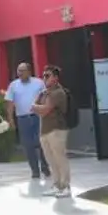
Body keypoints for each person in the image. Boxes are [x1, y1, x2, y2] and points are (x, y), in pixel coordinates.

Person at [4, 63, 49, 182]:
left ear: (29, 71)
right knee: (28, 145)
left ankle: (45, 167)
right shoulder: (13, 85)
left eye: (22, 71)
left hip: (37, 117)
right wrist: (10, 119)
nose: (20, 73)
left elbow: (45, 97)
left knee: (42, 143)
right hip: (22, 119)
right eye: (18, 71)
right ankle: (35, 170)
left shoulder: (38, 83)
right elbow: (9, 103)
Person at [34, 66, 73, 198]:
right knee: (51, 160)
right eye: (43, 75)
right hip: (44, 130)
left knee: (60, 158)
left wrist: (38, 107)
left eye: (48, 76)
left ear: (55, 78)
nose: (44, 78)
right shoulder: (44, 93)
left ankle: (65, 185)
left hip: (57, 129)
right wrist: (38, 107)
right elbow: (33, 106)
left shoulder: (58, 92)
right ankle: (56, 184)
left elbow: (44, 109)